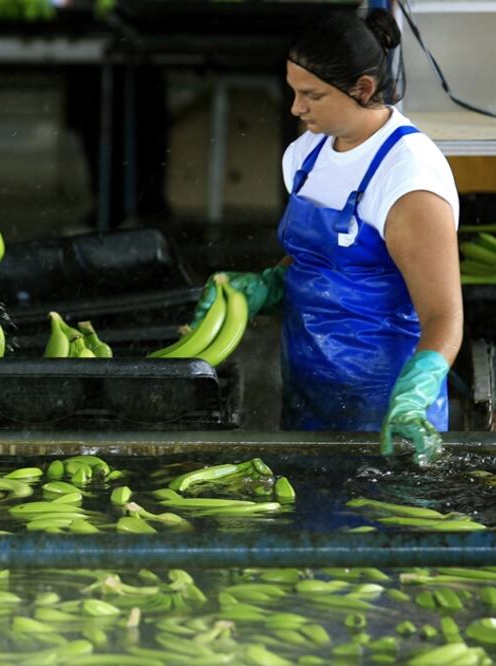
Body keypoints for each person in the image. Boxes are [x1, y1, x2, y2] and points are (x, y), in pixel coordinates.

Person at [193, 9, 462, 464]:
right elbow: (312, 259)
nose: (296, 108)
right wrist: (266, 285)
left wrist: (412, 399)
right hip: (308, 399)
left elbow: (444, 315)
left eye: (311, 95)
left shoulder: (408, 177)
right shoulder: (306, 154)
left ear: (363, 89)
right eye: (294, 90)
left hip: (386, 413)